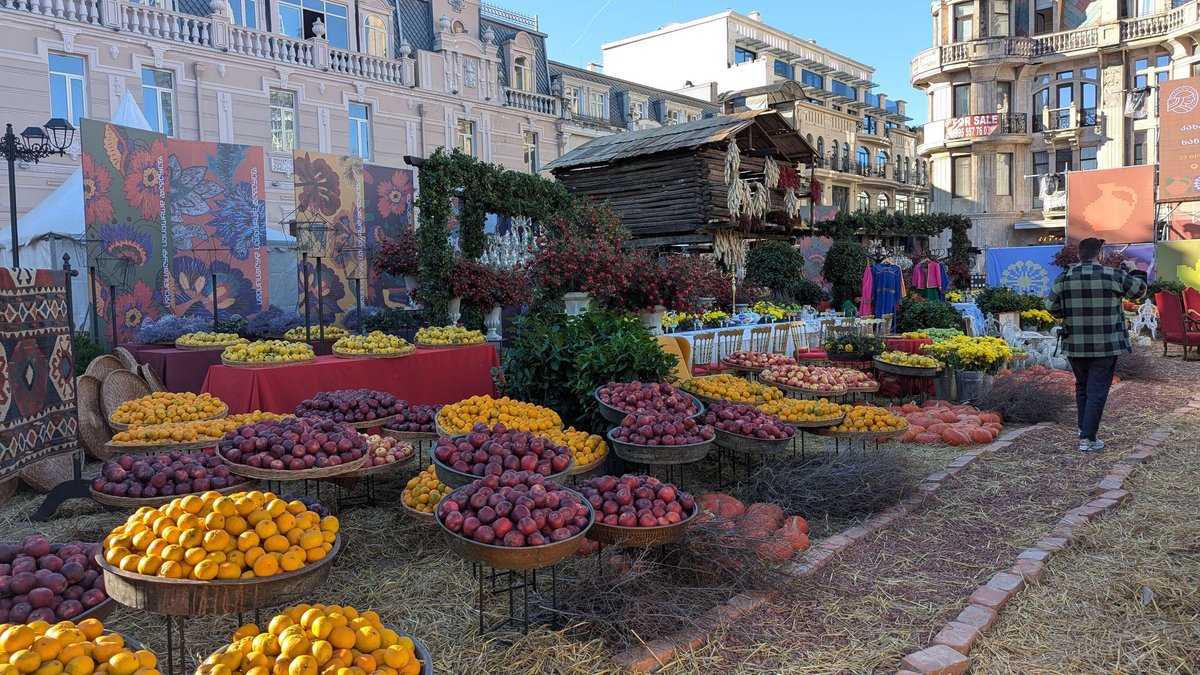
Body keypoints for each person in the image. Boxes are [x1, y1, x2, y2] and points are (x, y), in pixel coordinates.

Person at [1046, 237, 1148, 452]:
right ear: (1100, 254)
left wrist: (1069, 313)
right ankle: (1088, 438)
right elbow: (1139, 291)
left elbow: (1051, 307)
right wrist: (1134, 270)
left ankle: (1084, 428)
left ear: (1077, 255)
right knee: (1098, 389)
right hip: (1106, 344)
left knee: (1082, 386)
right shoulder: (1113, 275)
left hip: (1075, 343)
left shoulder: (1063, 278)